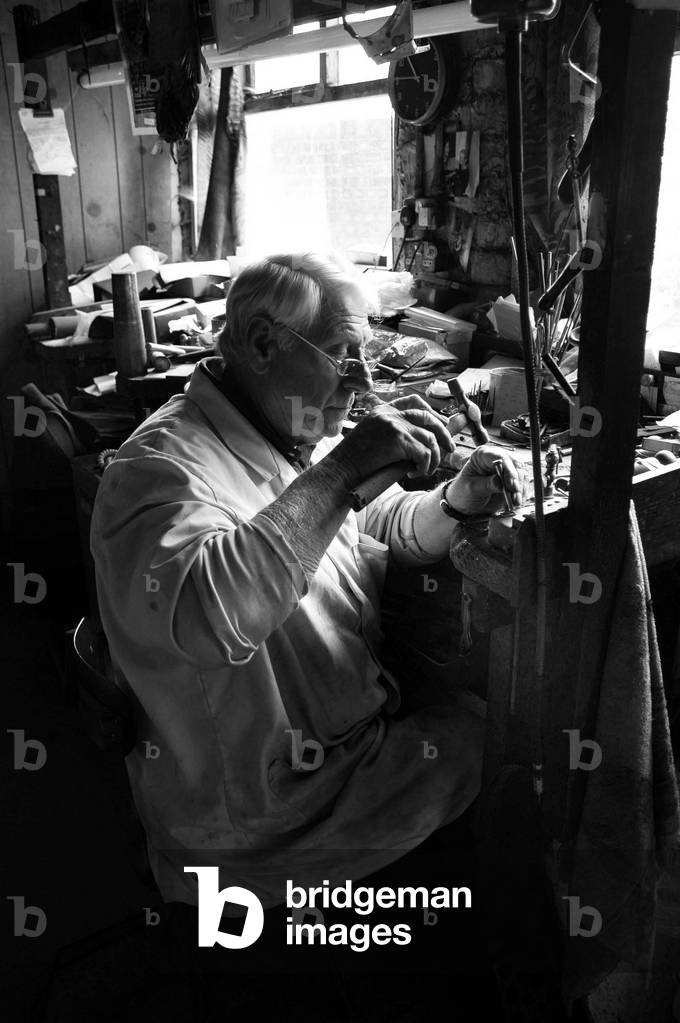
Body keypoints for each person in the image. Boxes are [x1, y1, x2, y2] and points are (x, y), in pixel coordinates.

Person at [90, 252, 524, 916]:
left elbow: (367, 522)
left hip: (329, 753)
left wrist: (453, 503)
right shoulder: (156, 472)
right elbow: (213, 619)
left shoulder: (286, 427)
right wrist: (344, 467)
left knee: (478, 727)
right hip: (259, 816)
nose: (363, 379)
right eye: (342, 355)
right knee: (503, 748)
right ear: (264, 343)